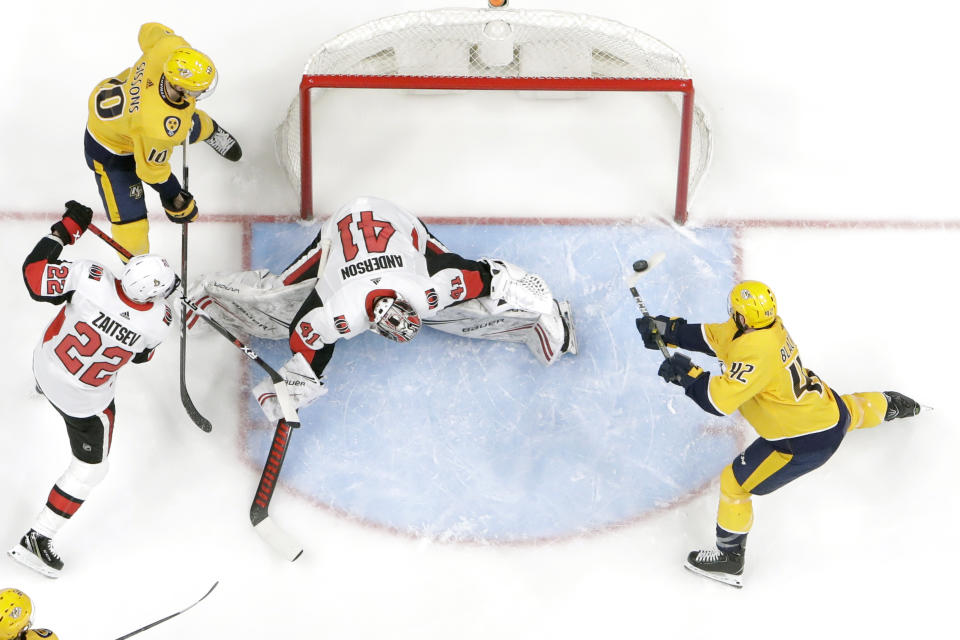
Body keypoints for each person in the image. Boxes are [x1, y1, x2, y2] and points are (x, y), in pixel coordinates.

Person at [184, 196, 578, 422]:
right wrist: (297, 381)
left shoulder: (430, 290)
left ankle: (537, 325)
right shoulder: (342, 310)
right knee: (276, 299)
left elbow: (491, 275)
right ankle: (205, 293)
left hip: (398, 225)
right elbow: (304, 333)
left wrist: (534, 299)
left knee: (467, 305)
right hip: (340, 232)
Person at [636, 280, 920, 587]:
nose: (732, 316)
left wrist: (688, 376)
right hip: (824, 409)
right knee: (848, 412)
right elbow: (718, 337)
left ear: (744, 318)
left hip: (802, 442)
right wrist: (669, 331)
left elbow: (718, 400)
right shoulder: (766, 327)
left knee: (734, 484)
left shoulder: (757, 352)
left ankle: (729, 559)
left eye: (735, 312)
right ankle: (893, 403)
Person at [8, 201, 177, 578]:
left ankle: (39, 389)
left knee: (56, 353)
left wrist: (66, 230)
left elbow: (35, 277)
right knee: (91, 470)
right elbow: (141, 359)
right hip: (83, 403)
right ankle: (37, 539)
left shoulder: (91, 276)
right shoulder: (159, 322)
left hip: (45, 364)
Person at [85, 22, 242, 257]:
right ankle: (140, 272)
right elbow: (151, 171)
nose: (199, 95)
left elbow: (148, 30)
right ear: (177, 85)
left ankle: (211, 130)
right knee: (131, 226)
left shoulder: (169, 47)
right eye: (196, 91)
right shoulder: (159, 127)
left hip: (119, 107)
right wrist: (174, 195)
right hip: (111, 152)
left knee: (188, 123)